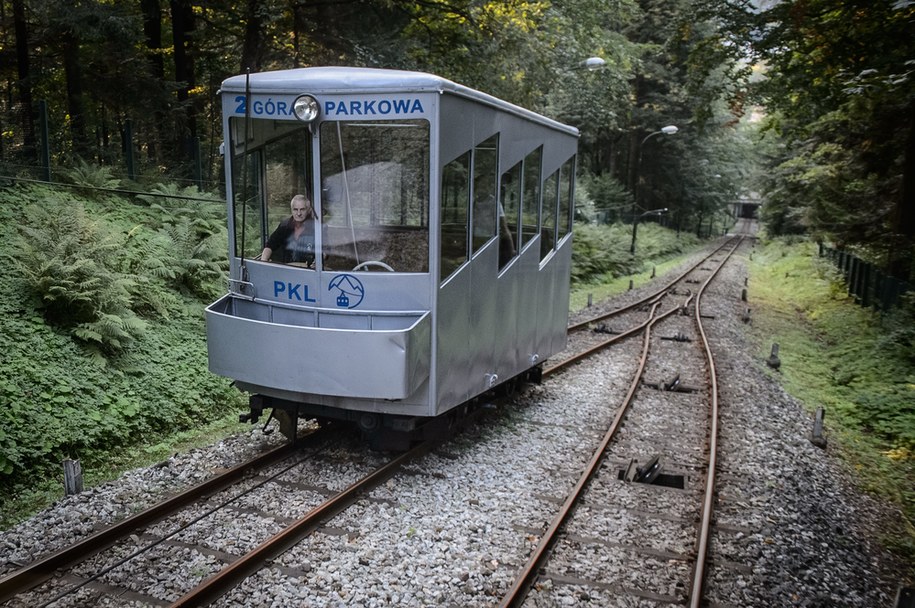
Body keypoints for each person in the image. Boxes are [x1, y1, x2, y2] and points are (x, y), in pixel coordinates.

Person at [261, 194, 318, 266]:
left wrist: (317, 264)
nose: (299, 213)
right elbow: (269, 246)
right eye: (295, 209)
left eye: (302, 209)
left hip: (308, 272)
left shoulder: (316, 228)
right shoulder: (284, 226)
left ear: (308, 210)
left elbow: (324, 252)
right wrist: (263, 263)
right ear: (291, 210)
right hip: (285, 271)